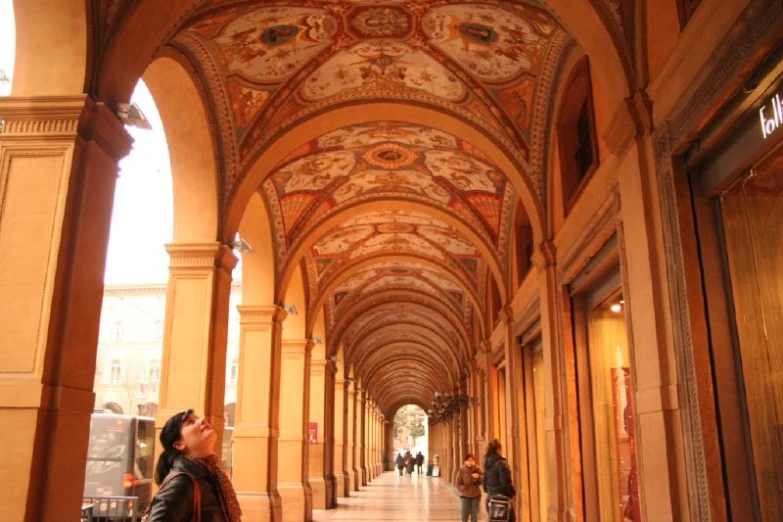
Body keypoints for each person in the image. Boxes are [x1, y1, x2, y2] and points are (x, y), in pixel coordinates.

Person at [146, 410, 242, 521]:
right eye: (190, 422)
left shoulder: (212, 476)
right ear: (179, 444)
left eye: (197, 418)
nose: (202, 420)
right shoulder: (182, 482)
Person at [483, 439, 515, 522]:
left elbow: (484, 485)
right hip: (501, 501)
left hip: (490, 499)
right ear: (498, 449)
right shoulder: (501, 463)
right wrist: (511, 493)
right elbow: (505, 482)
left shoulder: (486, 464)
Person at [456, 454, 483, 522]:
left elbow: (484, 479)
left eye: (472, 460)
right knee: (464, 514)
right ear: (465, 461)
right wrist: (463, 489)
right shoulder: (462, 469)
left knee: (474, 515)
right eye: (469, 460)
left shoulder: (477, 468)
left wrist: (479, 476)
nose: (470, 462)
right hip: (465, 495)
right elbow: (458, 483)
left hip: (476, 495)